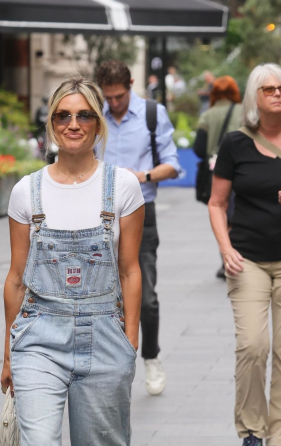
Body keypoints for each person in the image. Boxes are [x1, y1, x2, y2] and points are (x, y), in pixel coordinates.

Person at [2, 75, 145, 446]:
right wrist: (9, 353)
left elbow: (132, 270)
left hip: (103, 333)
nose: (73, 124)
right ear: (51, 126)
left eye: (84, 116)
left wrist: (129, 342)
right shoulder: (26, 192)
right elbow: (15, 279)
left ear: (97, 124)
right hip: (39, 333)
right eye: (63, 116)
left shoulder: (122, 186)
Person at [208, 63, 281, 446]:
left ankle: (279, 437)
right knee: (253, 345)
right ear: (254, 96)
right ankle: (251, 432)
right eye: (268, 89)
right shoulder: (235, 144)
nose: (277, 95)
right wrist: (225, 247)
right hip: (247, 258)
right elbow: (216, 204)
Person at [96, 60, 180, 395]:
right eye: (109, 98)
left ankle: (152, 357)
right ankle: (108, 365)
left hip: (140, 211)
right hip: (97, 214)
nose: (114, 104)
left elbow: (172, 165)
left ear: (131, 84)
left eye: (119, 96)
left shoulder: (151, 113)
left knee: (144, 294)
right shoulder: (92, 113)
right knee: (102, 293)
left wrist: (140, 176)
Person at [194, 76, 242, 278]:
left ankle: (227, 259)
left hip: (216, 172)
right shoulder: (243, 113)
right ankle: (237, 256)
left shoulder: (207, 115)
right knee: (236, 214)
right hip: (241, 170)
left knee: (220, 212)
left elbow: (198, 148)